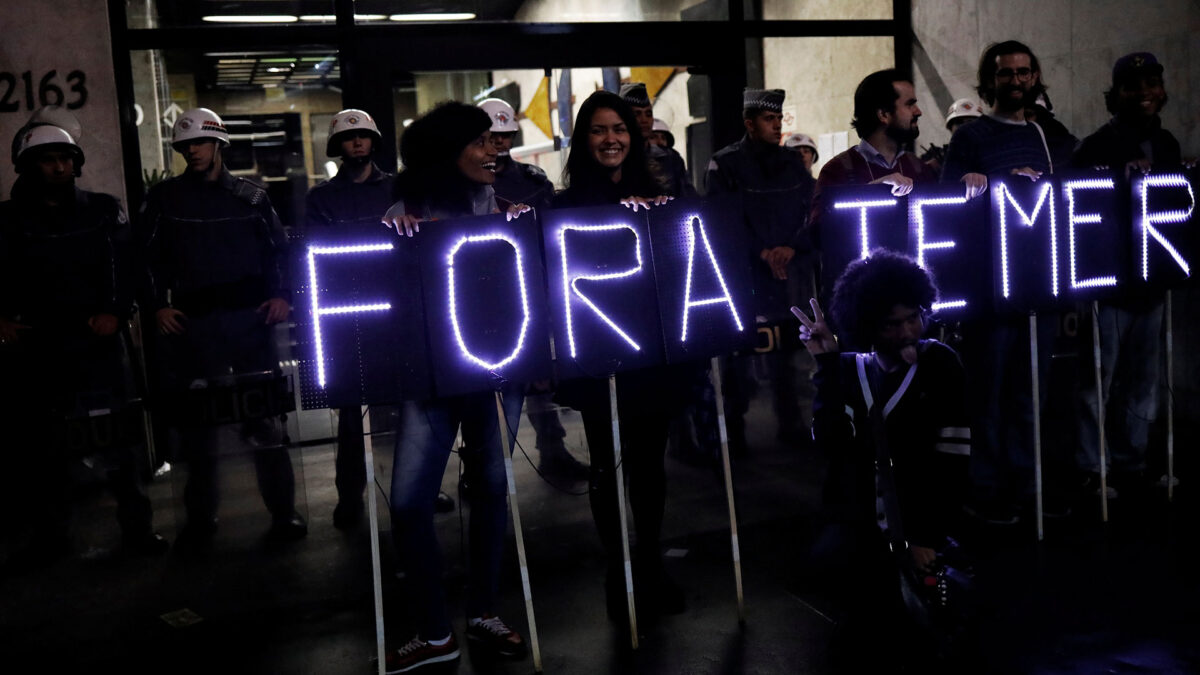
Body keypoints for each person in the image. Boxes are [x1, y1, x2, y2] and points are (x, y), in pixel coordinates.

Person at [380, 101, 530, 673]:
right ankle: (436, 630)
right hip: (431, 376)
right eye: (481, 141)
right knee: (410, 501)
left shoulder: (513, 208)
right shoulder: (404, 214)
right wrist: (399, 236)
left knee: (492, 490)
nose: (496, 149)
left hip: (498, 369)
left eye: (496, 141)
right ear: (448, 152)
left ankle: (483, 612)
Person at [0, 124, 166, 572]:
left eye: (65, 158)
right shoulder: (8, 220)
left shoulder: (101, 210)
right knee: (43, 447)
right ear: (27, 166)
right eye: (48, 159)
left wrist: (115, 309)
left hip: (96, 342)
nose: (59, 166)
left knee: (117, 441)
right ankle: (50, 536)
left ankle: (136, 526)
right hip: (39, 348)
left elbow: (125, 265)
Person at [140, 107, 306, 550]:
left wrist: (283, 295)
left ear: (219, 144)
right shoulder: (164, 200)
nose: (191, 150)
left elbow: (279, 252)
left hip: (249, 322)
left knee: (266, 421)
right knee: (199, 428)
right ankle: (199, 519)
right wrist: (157, 306)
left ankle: (284, 513)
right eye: (184, 145)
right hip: (195, 325)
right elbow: (148, 260)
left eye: (198, 142)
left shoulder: (251, 198)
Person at [796, 249, 970, 673]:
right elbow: (833, 444)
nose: (908, 330)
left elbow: (953, 460)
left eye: (914, 317)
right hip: (861, 537)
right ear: (868, 326)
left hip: (919, 533)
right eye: (893, 324)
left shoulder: (941, 364)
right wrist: (827, 367)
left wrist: (926, 535)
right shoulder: (849, 370)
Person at [553, 89, 690, 627]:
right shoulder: (564, 206)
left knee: (650, 464)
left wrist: (662, 219)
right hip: (596, 353)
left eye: (619, 130)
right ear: (583, 140)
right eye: (598, 130)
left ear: (632, 139)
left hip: (652, 352)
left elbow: (679, 262)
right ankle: (619, 569)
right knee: (607, 465)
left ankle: (651, 562)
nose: (610, 139)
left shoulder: (659, 196)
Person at [940, 40, 1064, 524]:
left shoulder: (1048, 133)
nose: (1016, 81)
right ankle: (987, 490)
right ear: (989, 81)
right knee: (988, 395)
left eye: (1023, 72)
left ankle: (1027, 486)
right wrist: (991, 184)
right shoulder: (971, 137)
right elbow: (949, 205)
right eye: (1005, 73)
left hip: (1040, 280)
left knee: (1031, 394)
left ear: (1035, 77)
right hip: (992, 288)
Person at [1072, 52, 1182, 500]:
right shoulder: (1095, 146)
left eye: (1151, 83)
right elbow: (1079, 205)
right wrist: (1117, 181)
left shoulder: (1168, 143)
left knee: (1143, 381)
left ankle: (1131, 461)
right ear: (1114, 95)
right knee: (1098, 381)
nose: (1144, 93)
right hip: (1112, 285)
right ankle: (1090, 468)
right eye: (1133, 86)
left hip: (1154, 279)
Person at [477, 97, 588, 482]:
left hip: (532, 287)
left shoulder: (533, 181)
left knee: (541, 381)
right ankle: (480, 466)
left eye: (507, 135)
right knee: (485, 386)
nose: (501, 143)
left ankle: (553, 453)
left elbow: (552, 237)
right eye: (494, 135)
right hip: (488, 295)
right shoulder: (472, 181)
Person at [706, 87, 816, 451]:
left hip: (786, 277)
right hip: (746, 278)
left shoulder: (791, 165)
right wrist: (763, 252)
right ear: (749, 123)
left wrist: (790, 247)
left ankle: (790, 422)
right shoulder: (726, 164)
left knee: (786, 353)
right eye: (769, 119)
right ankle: (733, 430)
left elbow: (810, 209)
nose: (777, 126)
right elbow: (722, 220)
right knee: (739, 354)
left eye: (779, 119)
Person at [305, 108, 397, 529]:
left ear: (373, 142)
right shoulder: (321, 199)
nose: (357, 142)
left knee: (406, 406)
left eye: (363, 136)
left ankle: (418, 487)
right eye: (349, 137)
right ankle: (349, 496)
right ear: (338, 146)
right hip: (345, 315)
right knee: (349, 415)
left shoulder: (398, 189)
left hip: (394, 311)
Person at [811, 70, 939, 234]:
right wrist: (870, 193)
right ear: (884, 115)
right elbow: (817, 232)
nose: (918, 111)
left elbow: (938, 223)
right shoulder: (838, 170)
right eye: (910, 104)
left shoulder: (918, 168)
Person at [619, 82, 696, 198]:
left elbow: (689, 199)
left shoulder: (670, 159)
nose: (644, 120)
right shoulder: (614, 159)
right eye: (637, 114)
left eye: (648, 114)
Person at [919, 97, 983, 174]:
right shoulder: (935, 157)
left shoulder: (994, 155)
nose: (964, 127)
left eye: (970, 122)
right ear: (950, 128)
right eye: (959, 122)